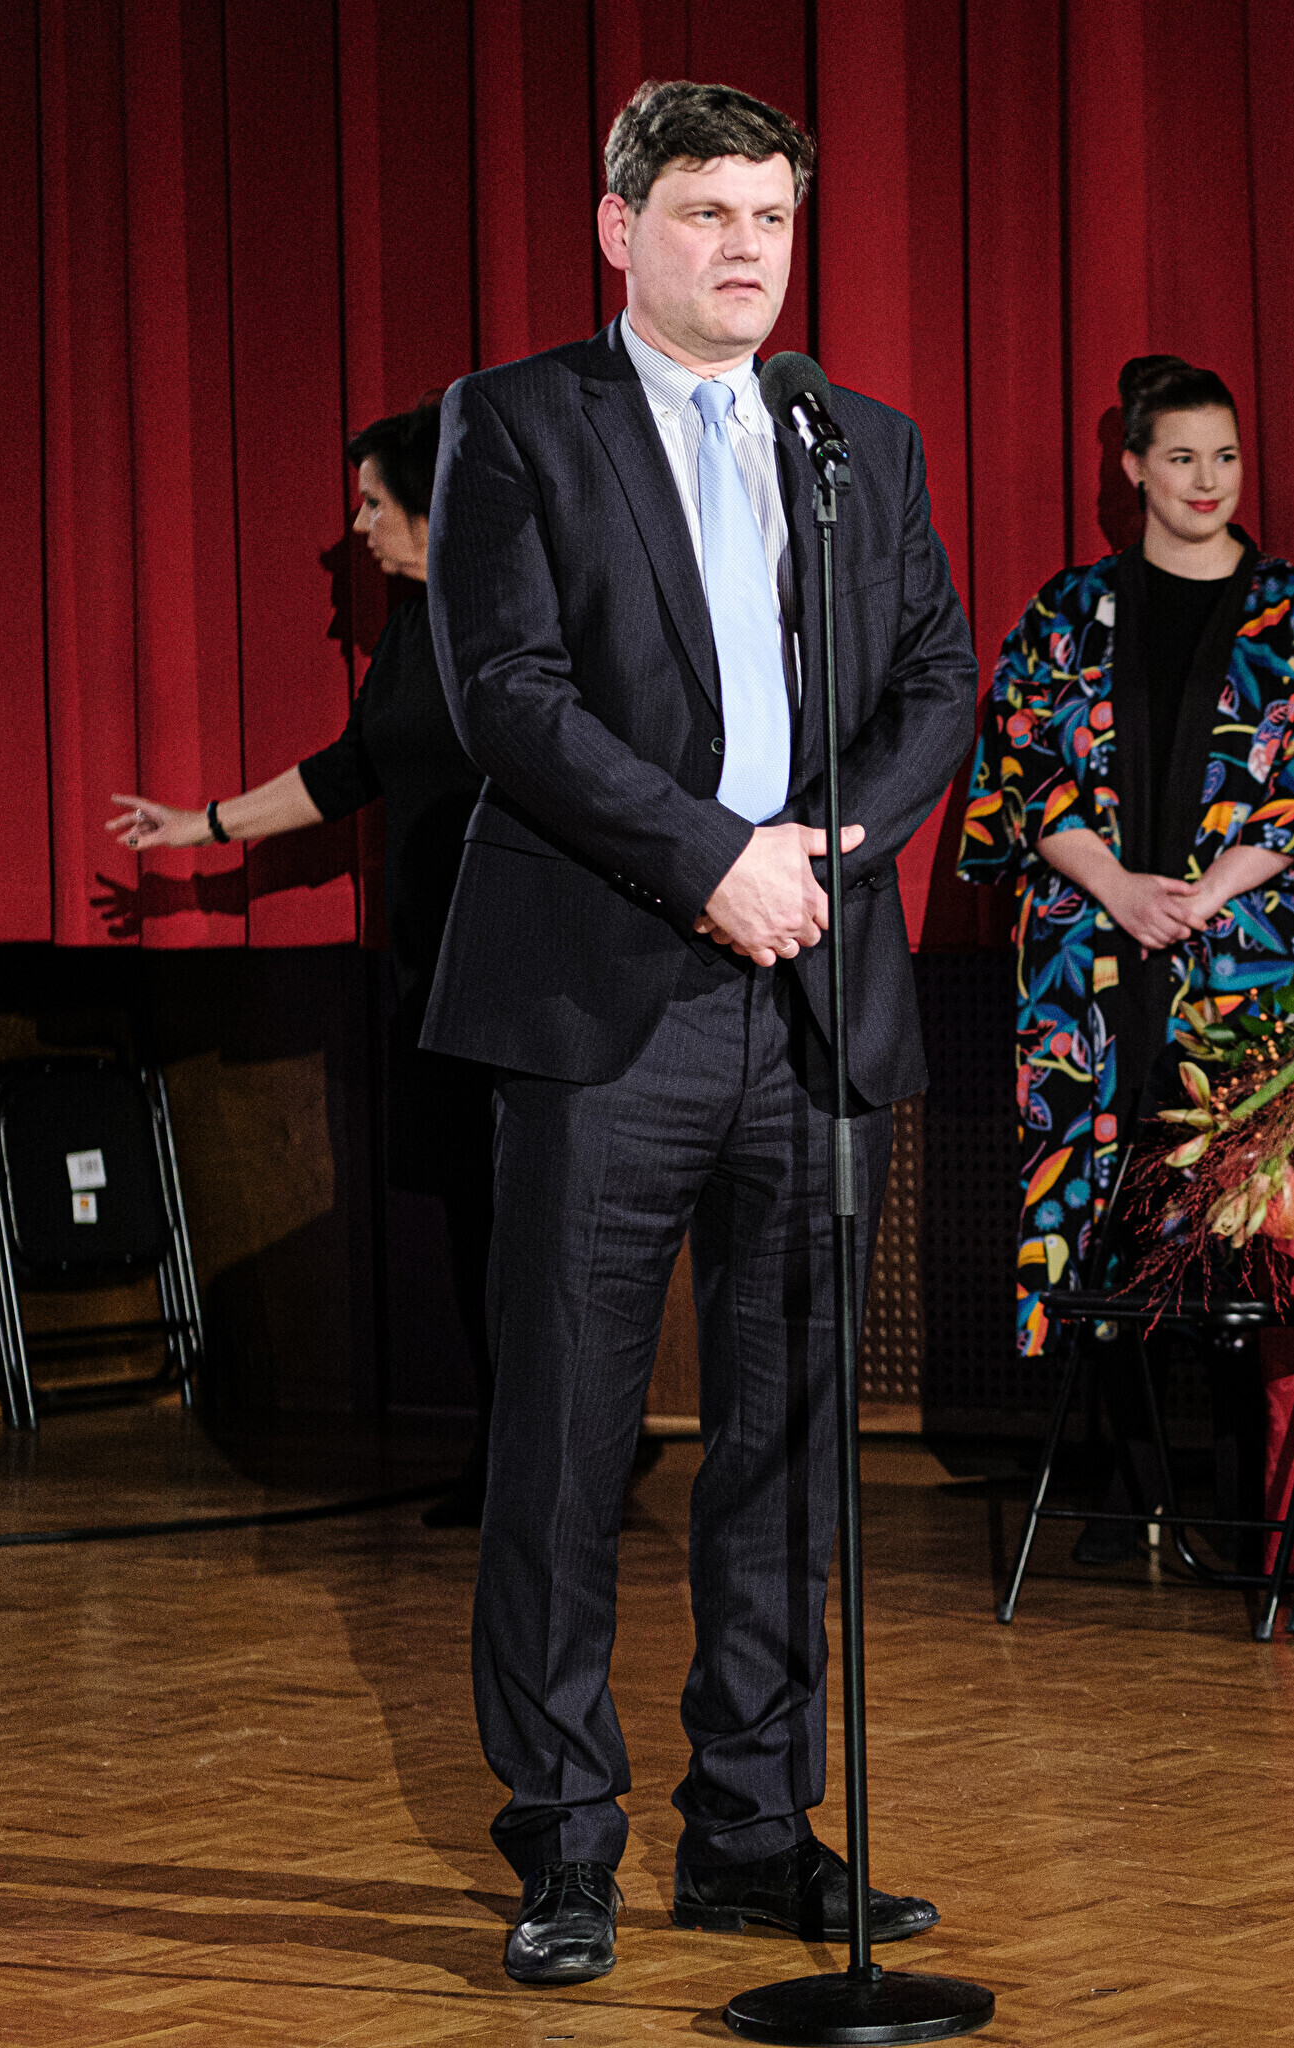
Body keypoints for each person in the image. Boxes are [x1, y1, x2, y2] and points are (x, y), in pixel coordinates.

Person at [419, 80, 976, 1985]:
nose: (746, 249)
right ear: (619, 228)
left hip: (814, 991)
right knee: (569, 1445)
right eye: (705, 213)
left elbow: (936, 677)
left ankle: (750, 1828)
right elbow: (507, 695)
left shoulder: (857, 439)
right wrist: (710, 861)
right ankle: (564, 1841)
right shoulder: (518, 422)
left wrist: (827, 847)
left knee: (790, 1449)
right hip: (610, 1004)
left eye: (771, 217)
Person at [955, 355, 1294, 1552]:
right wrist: (1121, 890)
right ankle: (1122, 1486)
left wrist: (1199, 898)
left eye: (1224, 456)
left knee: (1237, 1222)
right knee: (1097, 1214)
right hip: (1089, 964)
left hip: (1246, 963)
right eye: (1181, 456)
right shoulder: (1066, 610)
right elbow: (1023, 769)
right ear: (1133, 467)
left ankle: (1239, 1495)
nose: (1207, 479)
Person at [105, 400, 500, 1530]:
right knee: (472, 1222)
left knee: (530, 1226)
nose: (358, 527)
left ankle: (553, 1461)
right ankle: (501, 1450)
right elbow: (348, 769)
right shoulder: (412, 631)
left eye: (372, 503)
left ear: (430, 502)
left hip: (516, 976)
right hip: (428, 973)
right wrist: (201, 826)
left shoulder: (509, 625)